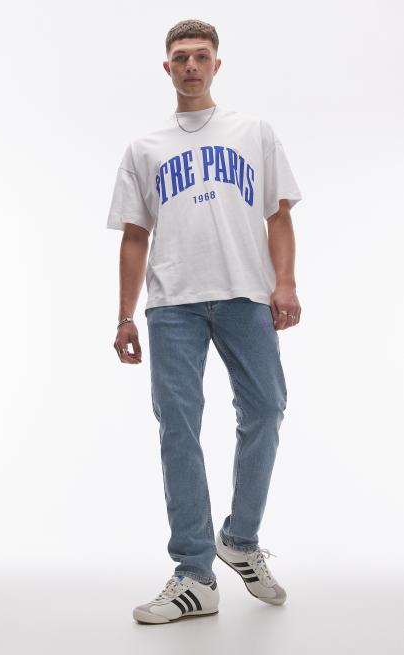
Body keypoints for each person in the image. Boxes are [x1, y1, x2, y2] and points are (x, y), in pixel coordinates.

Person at [106, 18, 302, 625]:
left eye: (200, 56)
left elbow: (278, 216)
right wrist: (124, 315)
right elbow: (134, 236)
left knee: (266, 409)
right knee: (178, 429)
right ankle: (195, 574)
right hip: (173, 305)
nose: (190, 65)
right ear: (167, 67)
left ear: (217, 65)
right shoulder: (144, 147)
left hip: (246, 294)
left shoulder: (254, 132)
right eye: (180, 57)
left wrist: (286, 282)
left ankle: (239, 539)